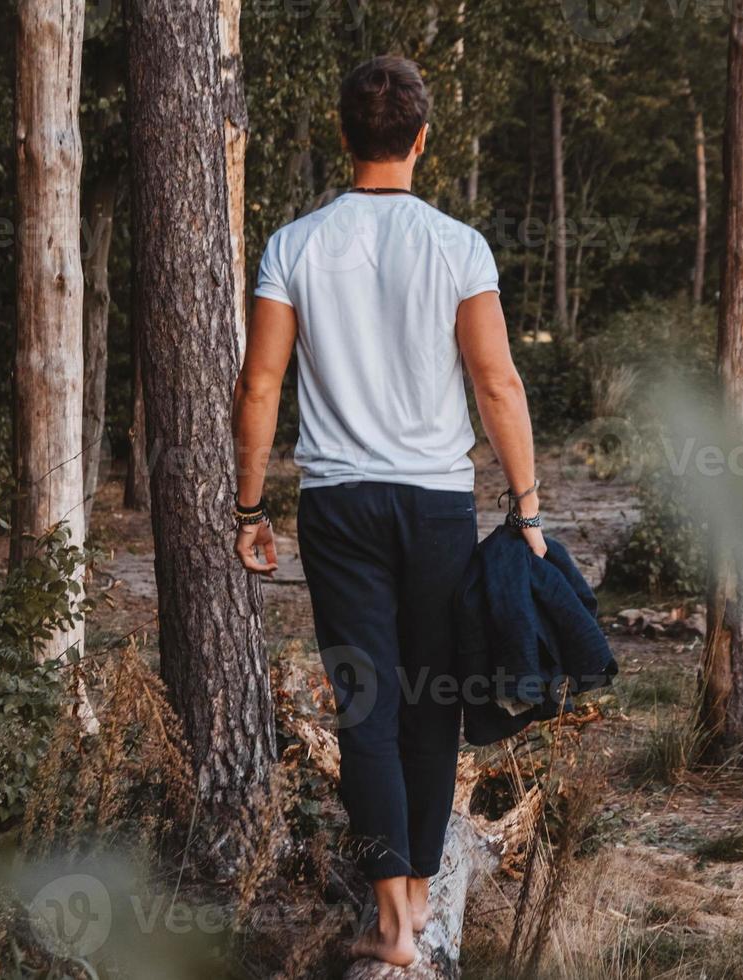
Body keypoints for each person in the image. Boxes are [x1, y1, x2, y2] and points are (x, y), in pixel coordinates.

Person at [230, 54, 543, 968]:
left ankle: (392, 920)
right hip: (438, 503)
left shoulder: (294, 243)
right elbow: (497, 383)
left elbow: (259, 387)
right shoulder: (458, 245)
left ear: (341, 136)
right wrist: (527, 509)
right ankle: (416, 900)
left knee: (364, 706)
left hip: (337, 506)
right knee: (431, 706)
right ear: (420, 139)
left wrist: (249, 507)